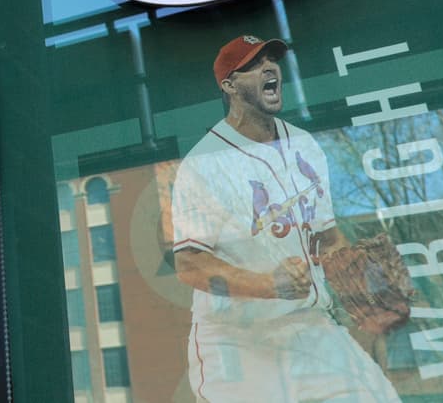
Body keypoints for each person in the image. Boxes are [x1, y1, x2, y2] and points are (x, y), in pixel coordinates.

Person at [170, 35, 400, 402]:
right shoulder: (204, 163)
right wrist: (267, 284)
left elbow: (328, 239)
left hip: (311, 327)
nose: (269, 68)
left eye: (271, 59)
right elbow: (190, 264)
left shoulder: (304, 144)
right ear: (229, 85)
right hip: (238, 341)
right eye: (254, 64)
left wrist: (364, 287)